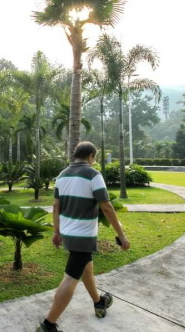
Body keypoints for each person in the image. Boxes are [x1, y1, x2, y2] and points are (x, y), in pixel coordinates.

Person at [36, 141, 130, 332]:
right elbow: (106, 206)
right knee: (71, 277)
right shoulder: (93, 174)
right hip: (83, 235)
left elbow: (56, 206)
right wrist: (122, 236)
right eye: (94, 158)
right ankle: (48, 324)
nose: (94, 162)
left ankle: (98, 302)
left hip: (68, 233)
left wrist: (56, 232)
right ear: (90, 157)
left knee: (86, 267)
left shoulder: (62, 175)